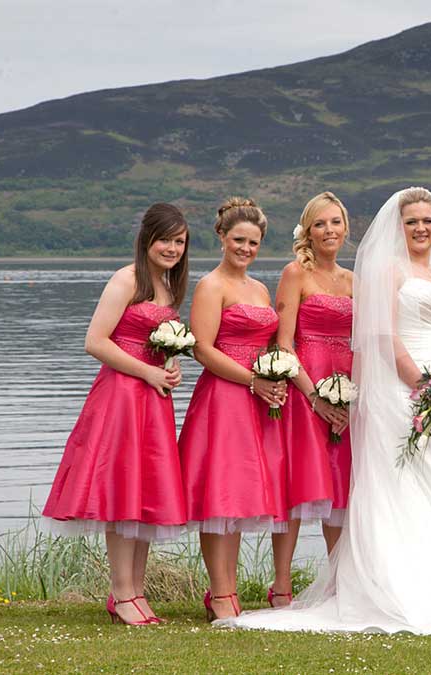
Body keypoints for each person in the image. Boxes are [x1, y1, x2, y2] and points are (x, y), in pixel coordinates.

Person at [220, 187, 431, 633]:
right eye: (411, 221)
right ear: (398, 227)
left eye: (427, 220)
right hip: (403, 388)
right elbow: (384, 334)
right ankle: (385, 586)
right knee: (395, 486)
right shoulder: (385, 273)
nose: (420, 228)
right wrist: (421, 382)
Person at [42, 203, 190, 625]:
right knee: (123, 492)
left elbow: (155, 344)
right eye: (165, 239)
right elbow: (95, 341)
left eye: (180, 242)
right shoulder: (126, 280)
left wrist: (169, 367)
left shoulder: (167, 287)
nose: (172, 248)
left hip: (154, 399)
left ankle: (136, 592)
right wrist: (146, 371)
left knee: (145, 493)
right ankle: (122, 593)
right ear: (147, 239)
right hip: (122, 398)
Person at [177, 197, 288, 621]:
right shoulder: (211, 286)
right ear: (222, 237)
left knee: (238, 495)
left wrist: (274, 376)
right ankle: (220, 592)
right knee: (217, 494)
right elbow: (203, 349)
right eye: (239, 240)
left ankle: (229, 588)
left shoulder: (259, 289)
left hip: (258, 400)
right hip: (225, 397)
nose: (246, 248)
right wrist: (253, 381)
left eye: (253, 242)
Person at [268, 192, 354, 608]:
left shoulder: (354, 281)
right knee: (299, 485)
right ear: (307, 231)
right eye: (320, 224)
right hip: (305, 387)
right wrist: (315, 396)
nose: (328, 230)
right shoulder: (294, 274)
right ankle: (282, 586)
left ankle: (338, 585)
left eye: (335, 222)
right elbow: (283, 343)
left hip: (346, 388)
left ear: (346, 228)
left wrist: (351, 397)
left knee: (339, 485)